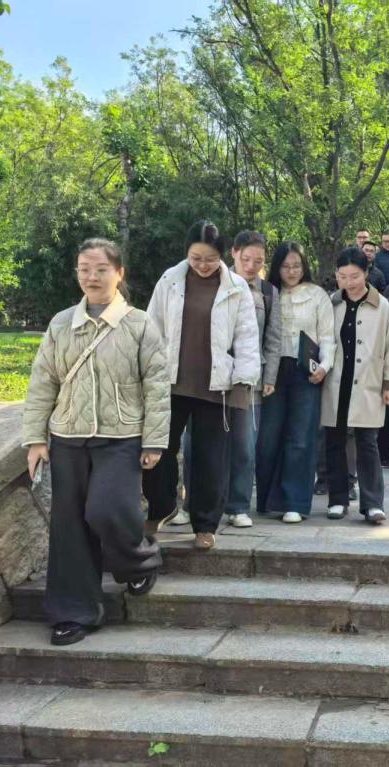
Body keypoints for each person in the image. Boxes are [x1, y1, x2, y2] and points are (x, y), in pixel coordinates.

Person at [24, 238, 167, 646]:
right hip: (67, 435)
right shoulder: (61, 324)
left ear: (119, 273)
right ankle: (74, 612)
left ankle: (139, 562)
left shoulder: (139, 324)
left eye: (101, 269)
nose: (92, 277)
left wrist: (154, 441)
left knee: (108, 510)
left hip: (121, 436)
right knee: (68, 526)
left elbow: (157, 386)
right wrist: (35, 438)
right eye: (84, 269)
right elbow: (43, 382)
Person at [143, 221, 260, 550]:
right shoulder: (170, 280)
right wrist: (146, 370)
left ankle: (206, 525)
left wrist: (244, 379)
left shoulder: (236, 287)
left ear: (222, 256)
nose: (203, 265)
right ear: (187, 253)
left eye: (210, 259)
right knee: (159, 449)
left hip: (216, 385)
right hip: (171, 382)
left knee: (211, 459)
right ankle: (162, 506)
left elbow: (247, 337)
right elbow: (152, 328)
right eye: (196, 258)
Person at [256, 242, 335, 524]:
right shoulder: (267, 293)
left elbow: (327, 336)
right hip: (272, 371)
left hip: (306, 371)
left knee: (301, 436)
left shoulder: (317, 295)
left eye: (297, 266)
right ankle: (267, 499)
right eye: (286, 266)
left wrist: (324, 366)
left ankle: (295, 502)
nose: (291, 271)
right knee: (268, 436)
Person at [322, 248, 389, 523]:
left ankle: (372, 503)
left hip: (368, 380)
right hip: (336, 381)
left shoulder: (382, 305)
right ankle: (337, 499)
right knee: (335, 441)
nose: (349, 282)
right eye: (342, 276)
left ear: (366, 273)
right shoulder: (331, 303)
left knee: (367, 443)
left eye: (354, 276)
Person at [218, 231, 283, 528]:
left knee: (245, 445)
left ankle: (239, 505)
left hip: (252, 377)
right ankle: (198, 503)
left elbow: (273, 338)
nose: (251, 266)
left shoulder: (268, 292)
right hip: (215, 375)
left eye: (258, 261)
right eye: (246, 259)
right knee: (203, 443)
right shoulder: (216, 283)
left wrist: (270, 376)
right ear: (234, 253)